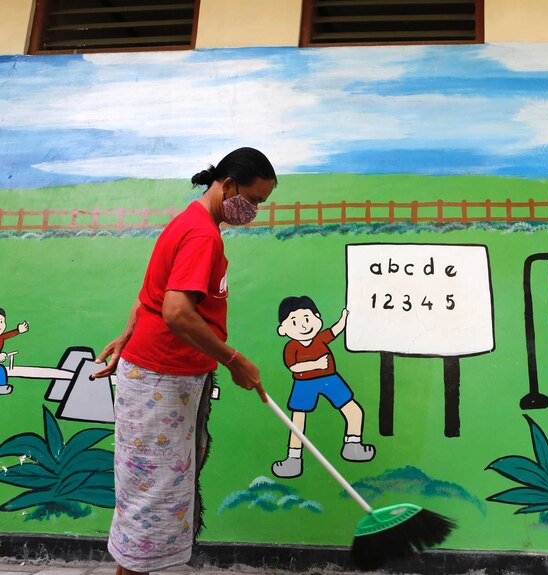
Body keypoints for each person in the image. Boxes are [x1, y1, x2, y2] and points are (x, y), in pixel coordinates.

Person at [91, 147, 275, 575]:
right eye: (255, 200)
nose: (254, 211)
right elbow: (174, 310)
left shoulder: (190, 221)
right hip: (162, 380)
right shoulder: (202, 234)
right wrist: (233, 360)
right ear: (228, 186)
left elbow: (150, 297)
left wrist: (128, 336)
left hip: (164, 375)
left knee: (151, 488)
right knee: (152, 493)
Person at [271, 296, 375, 479]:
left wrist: (344, 318)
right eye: (294, 322)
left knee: (353, 410)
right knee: (298, 421)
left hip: (329, 378)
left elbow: (334, 331)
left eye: (307, 318)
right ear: (282, 330)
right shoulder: (291, 347)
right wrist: (316, 364)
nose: (303, 326)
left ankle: (353, 446)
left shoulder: (320, 339)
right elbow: (294, 367)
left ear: (318, 318)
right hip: (304, 383)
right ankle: (293, 459)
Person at [0, 307, 29, 396]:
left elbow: (7, 335)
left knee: (1, 370)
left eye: (1, 322)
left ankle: (2, 386)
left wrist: (18, 331)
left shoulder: (1, 337)